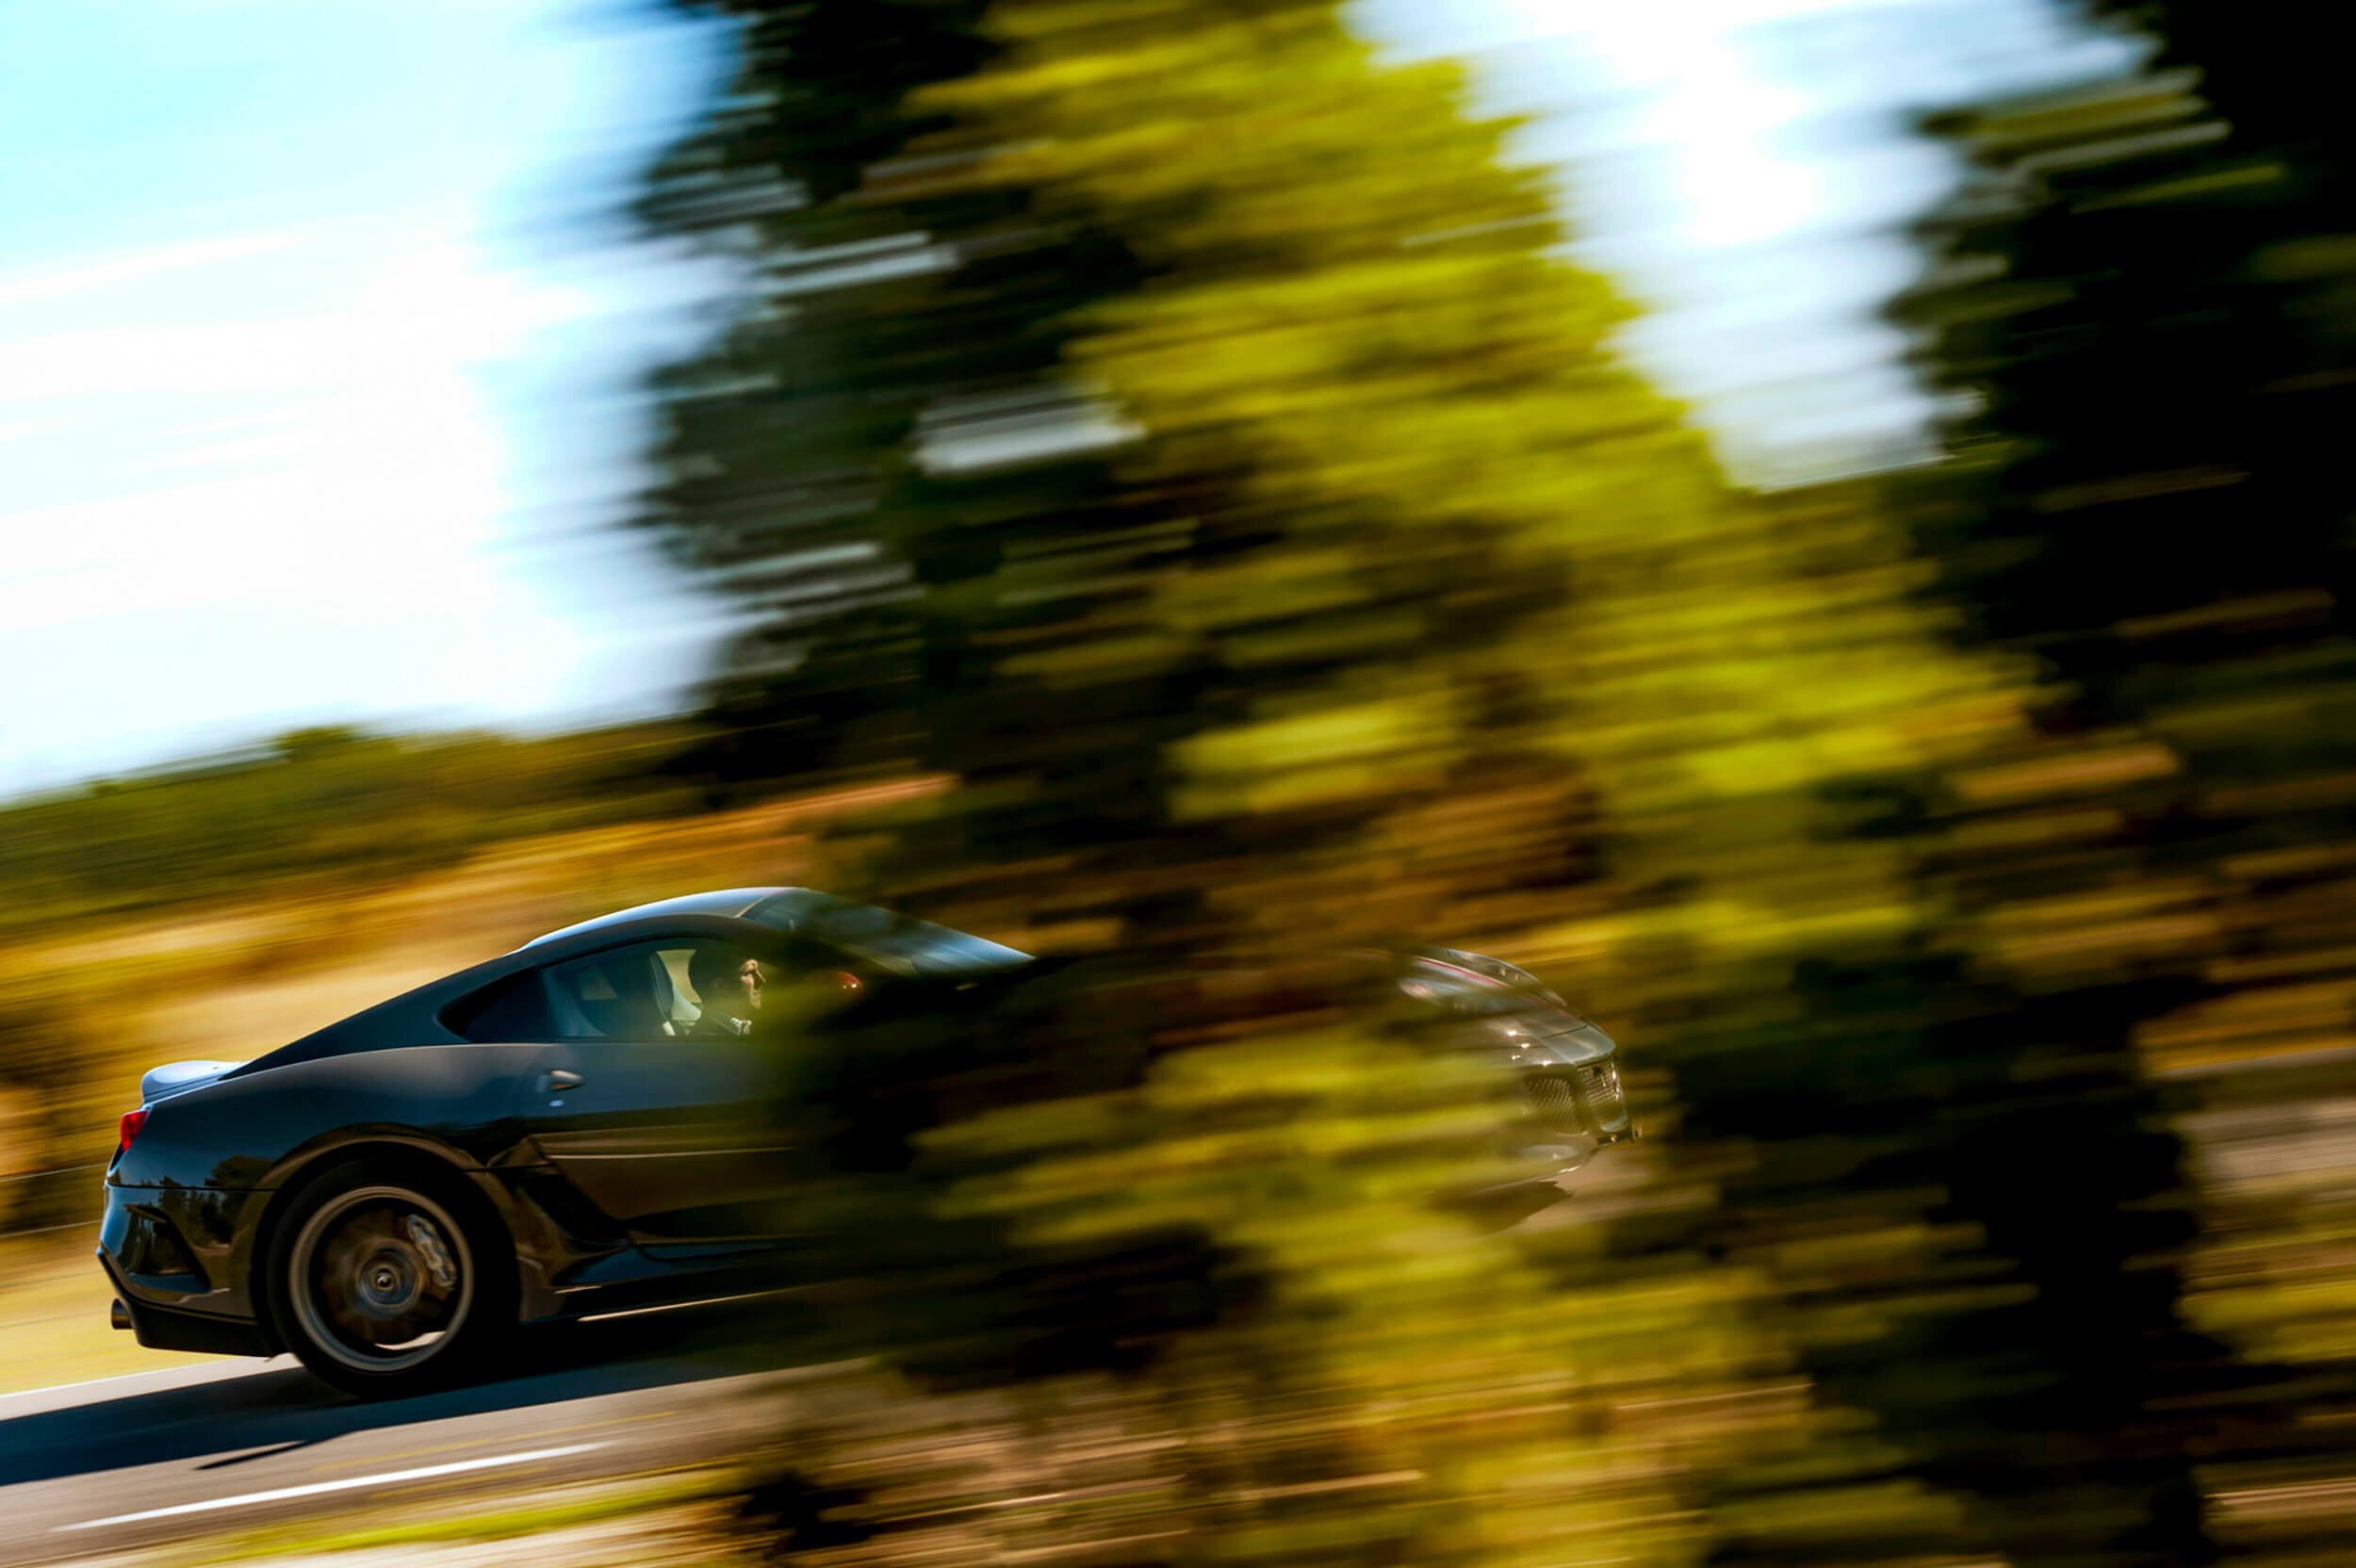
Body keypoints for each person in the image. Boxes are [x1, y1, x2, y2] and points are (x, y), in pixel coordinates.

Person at [687, 948, 764, 1037]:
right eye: (749, 973)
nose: (761, 980)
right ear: (720, 986)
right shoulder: (710, 1043)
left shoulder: (741, 1031)